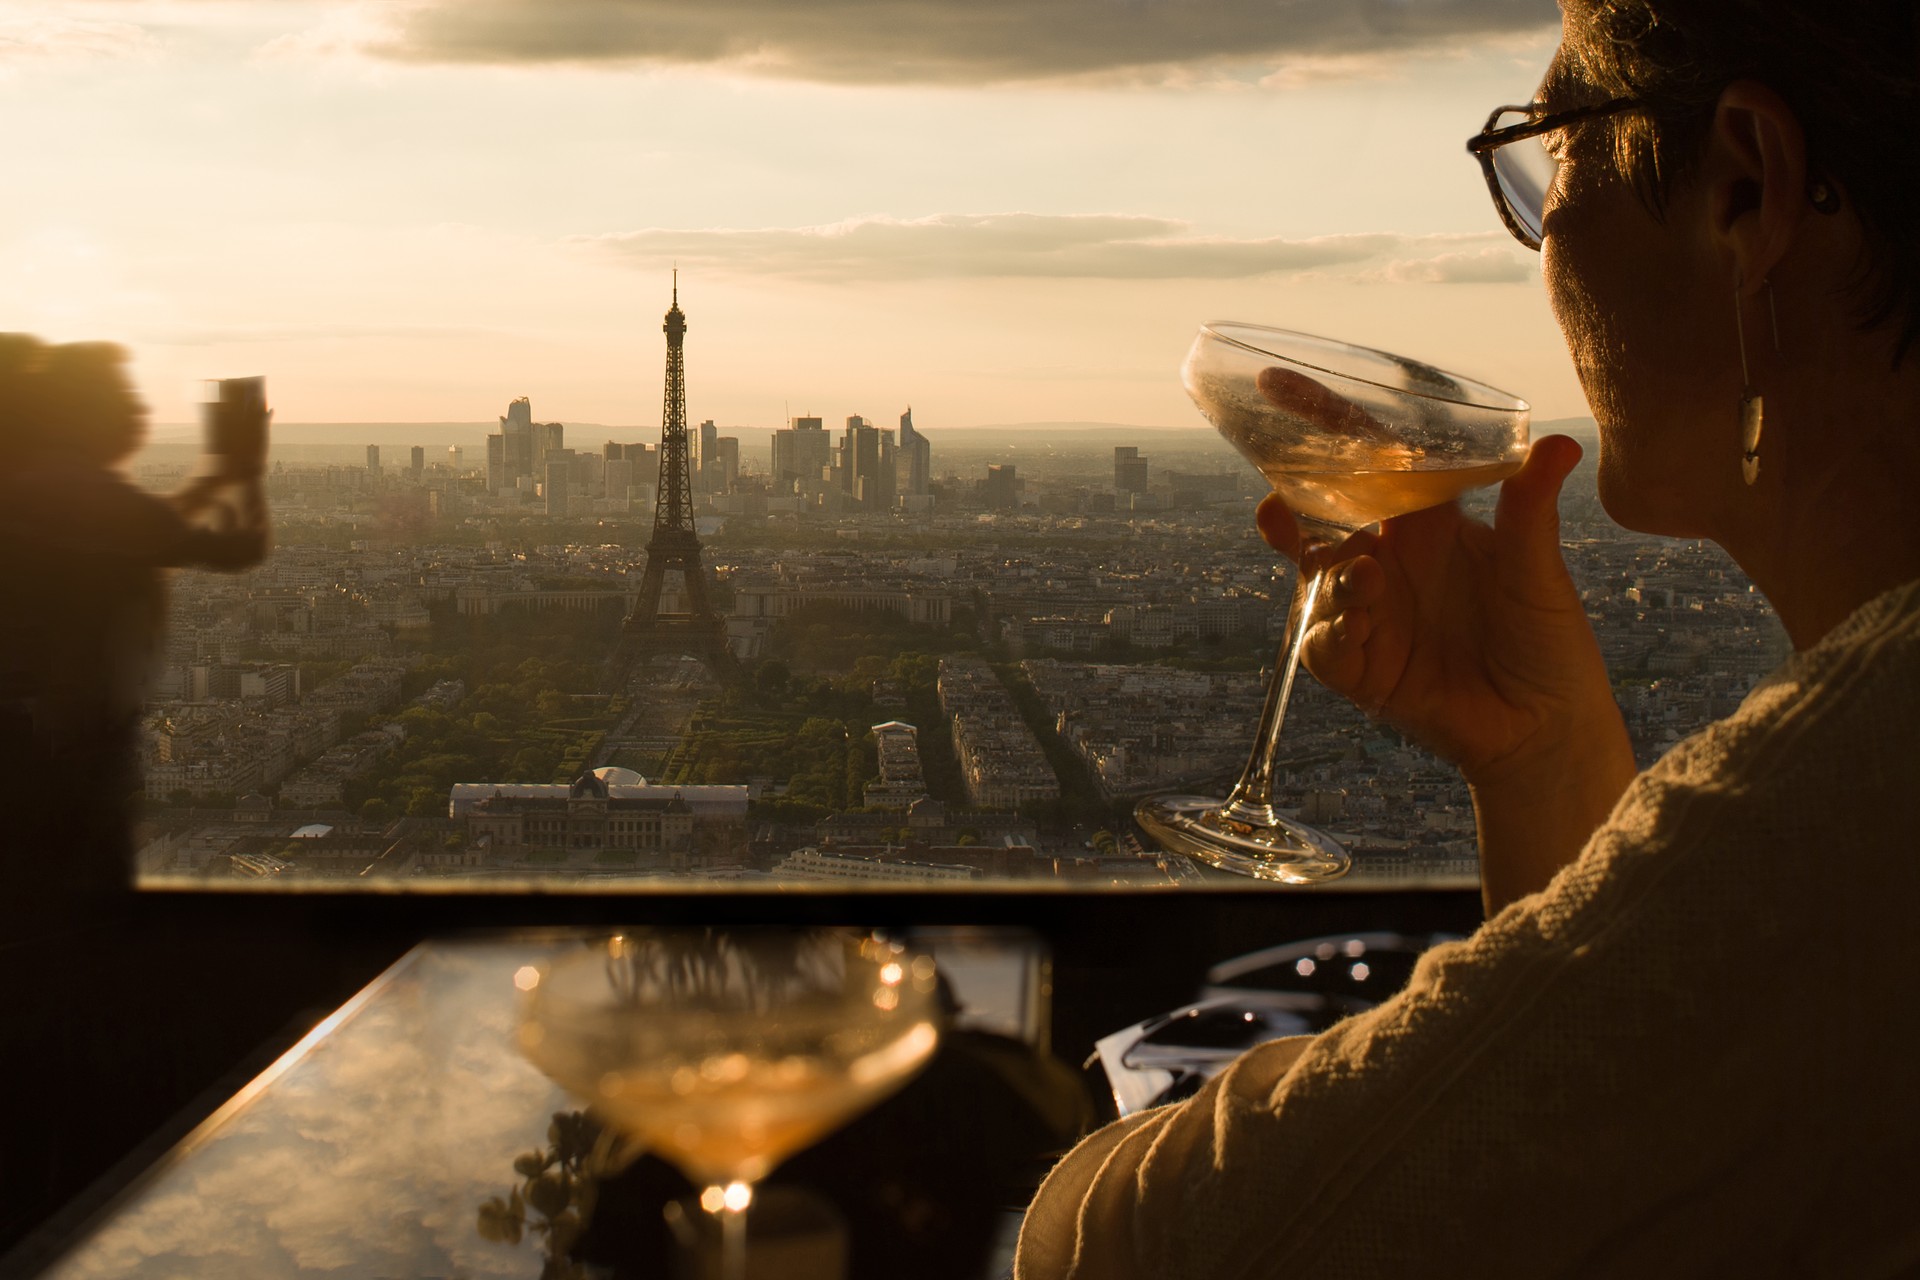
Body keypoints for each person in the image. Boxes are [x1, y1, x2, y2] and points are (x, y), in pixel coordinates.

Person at [1017, 1, 1920, 1274]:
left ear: (1742, 188)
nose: (1536, 242)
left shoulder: (1861, 789)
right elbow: (1624, 1139)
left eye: (1553, 157)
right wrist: (1543, 758)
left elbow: (1128, 1246)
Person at [0, 337, 271, 898]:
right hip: (57, 760)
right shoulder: (75, 490)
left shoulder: (37, 484)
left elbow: (147, 530)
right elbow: (239, 545)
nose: (139, 409)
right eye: (120, 394)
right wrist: (243, 469)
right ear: (80, 410)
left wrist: (218, 475)